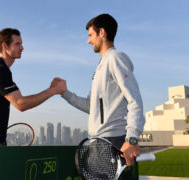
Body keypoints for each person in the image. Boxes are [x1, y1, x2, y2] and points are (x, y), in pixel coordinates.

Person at [54, 14, 145, 168]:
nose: (88, 41)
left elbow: (134, 100)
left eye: (91, 35)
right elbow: (92, 106)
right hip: (98, 142)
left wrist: (132, 139)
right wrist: (65, 93)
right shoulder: (101, 65)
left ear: (102, 33)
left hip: (112, 140)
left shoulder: (115, 58)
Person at [0, 28, 66, 146]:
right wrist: (53, 91)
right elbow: (21, 104)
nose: (22, 48)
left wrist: (51, 90)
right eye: (17, 44)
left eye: (21, 44)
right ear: (5, 46)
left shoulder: (3, 70)